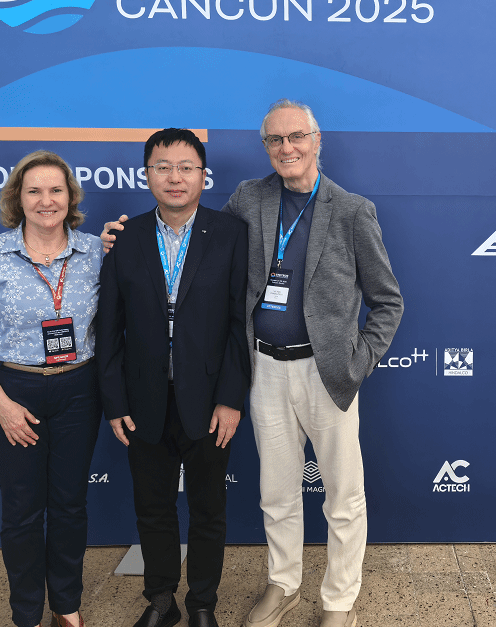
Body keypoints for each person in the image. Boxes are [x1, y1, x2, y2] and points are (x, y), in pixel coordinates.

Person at [104, 102, 403, 627]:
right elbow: (200, 241)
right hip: (264, 370)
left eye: (296, 136)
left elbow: (388, 301)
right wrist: (120, 238)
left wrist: (356, 362)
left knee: (343, 496)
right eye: (275, 140)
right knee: (277, 493)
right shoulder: (249, 198)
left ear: (317, 140)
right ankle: (284, 584)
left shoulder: (353, 211)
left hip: (327, 374)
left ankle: (338, 601)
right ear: (264, 146)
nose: (287, 148)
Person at [96, 128, 251, 627]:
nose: (175, 177)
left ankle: (203, 602)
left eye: (186, 167)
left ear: (204, 175)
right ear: (147, 175)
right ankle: (161, 600)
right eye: (163, 167)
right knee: (153, 508)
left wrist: (231, 397)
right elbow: (109, 327)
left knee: (208, 510)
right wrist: (115, 401)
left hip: (207, 400)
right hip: (143, 399)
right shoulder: (125, 237)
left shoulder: (231, 234)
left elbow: (239, 324)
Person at [0, 150, 103, 627]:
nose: (46, 200)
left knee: (70, 505)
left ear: (70, 197)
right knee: (21, 510)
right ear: (17, 198)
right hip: (12, 390)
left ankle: (66, 605)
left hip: (79, 390)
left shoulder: (96, 253)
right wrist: (2, 405)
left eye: (56, 190)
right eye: (34, 191)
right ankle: (27, 613)